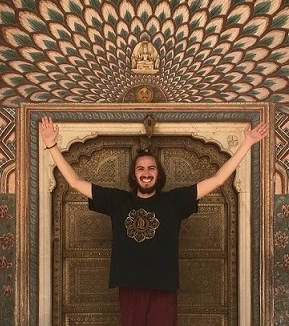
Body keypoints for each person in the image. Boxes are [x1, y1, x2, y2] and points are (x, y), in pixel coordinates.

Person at [39, 116, 269, 326]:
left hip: (164, 287)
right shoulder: (118, 201)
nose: (146, 173)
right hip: (130, 286)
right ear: (133, 175)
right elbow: (75, 181)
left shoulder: (174, 202)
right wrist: (51, 144)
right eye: (140, 169)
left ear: (158, 174)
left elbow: (218, 180)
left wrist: (247, 142)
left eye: (151, 168)